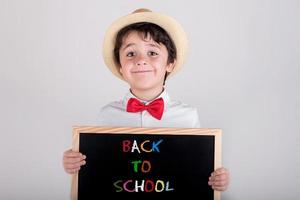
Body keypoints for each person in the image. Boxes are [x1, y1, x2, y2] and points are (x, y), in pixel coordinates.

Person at [63, 8, 230, 191]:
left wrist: (216, 179)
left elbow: (196, 168)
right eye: (130, 53)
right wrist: (74, 163)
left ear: (170, 63)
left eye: (152, 53)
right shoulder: (107, 116)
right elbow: (99, 168)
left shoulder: (187, 117)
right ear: (120, 66)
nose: (141, 60)